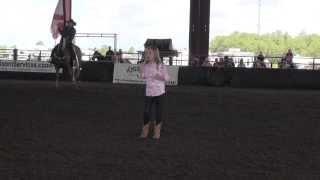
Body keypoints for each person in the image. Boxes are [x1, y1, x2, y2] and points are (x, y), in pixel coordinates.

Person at [139, 46, 170, 139]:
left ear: (155, 54)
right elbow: (143, 76)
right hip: (149, 92)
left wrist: (157, 75)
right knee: (146, 112)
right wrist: (141, 69)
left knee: (158, 112)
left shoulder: (160, 65)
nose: (147, 55)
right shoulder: (145, 65)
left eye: (149, 53)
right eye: (146, 53)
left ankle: (157, 132)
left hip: (159, 92)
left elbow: (167, 78)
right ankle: (145, 131)